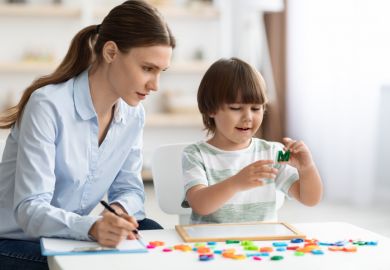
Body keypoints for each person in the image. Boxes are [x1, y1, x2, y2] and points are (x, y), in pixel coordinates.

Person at [0, 1, 175, 269]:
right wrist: (93, 226)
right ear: (111, 52)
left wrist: (117, 211)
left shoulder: (133, 113)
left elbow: (129, 188)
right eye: (147, 68)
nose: (155, 85)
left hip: (68, 237)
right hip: (15, 240)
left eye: (161, 72)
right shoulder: (48, 105)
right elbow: (30, 209)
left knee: (156, 238)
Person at [181, 57, 323, 224]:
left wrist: (307, 168)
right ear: (210, 109)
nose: (248, 117)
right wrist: (235, 183)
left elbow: (310, 199)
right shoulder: (195, 155)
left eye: (256, 108)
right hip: (212, 246)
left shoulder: (274, 153)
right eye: (236, 108)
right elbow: (200, 205)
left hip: (261, 246)